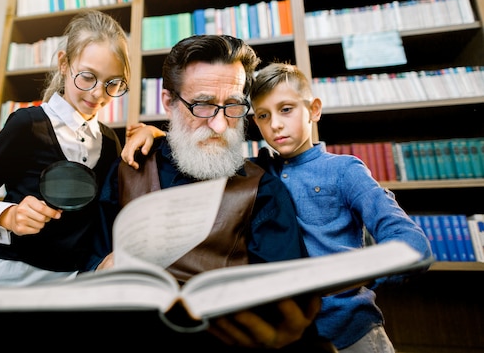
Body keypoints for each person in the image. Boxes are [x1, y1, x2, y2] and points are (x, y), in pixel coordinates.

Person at [122, 62, 433, 352]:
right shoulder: (258, 171)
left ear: (314, 110)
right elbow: (202, 146)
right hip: (288, 337)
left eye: (286, 110)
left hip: (354, 331)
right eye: (263, 116)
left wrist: (356, 276)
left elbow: (414, 247)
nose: (276, 126)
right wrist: (158, 133)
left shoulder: (345, 171)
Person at [87, 35, 336, 352]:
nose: (220, 125)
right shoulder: (127, 168)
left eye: (233, 105)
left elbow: (285, 303)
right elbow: (88, 255)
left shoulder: (265, 190)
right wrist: (98, 268)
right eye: (203, 105)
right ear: (169, 102)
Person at [0, 9, 131, 286]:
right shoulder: (27, 125)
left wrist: (152, 134)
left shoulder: (110, 142)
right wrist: (9, 215)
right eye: (87, 77)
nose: (98, 94)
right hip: (0, 274)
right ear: (64, 64)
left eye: (113, 83)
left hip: (64, 282)